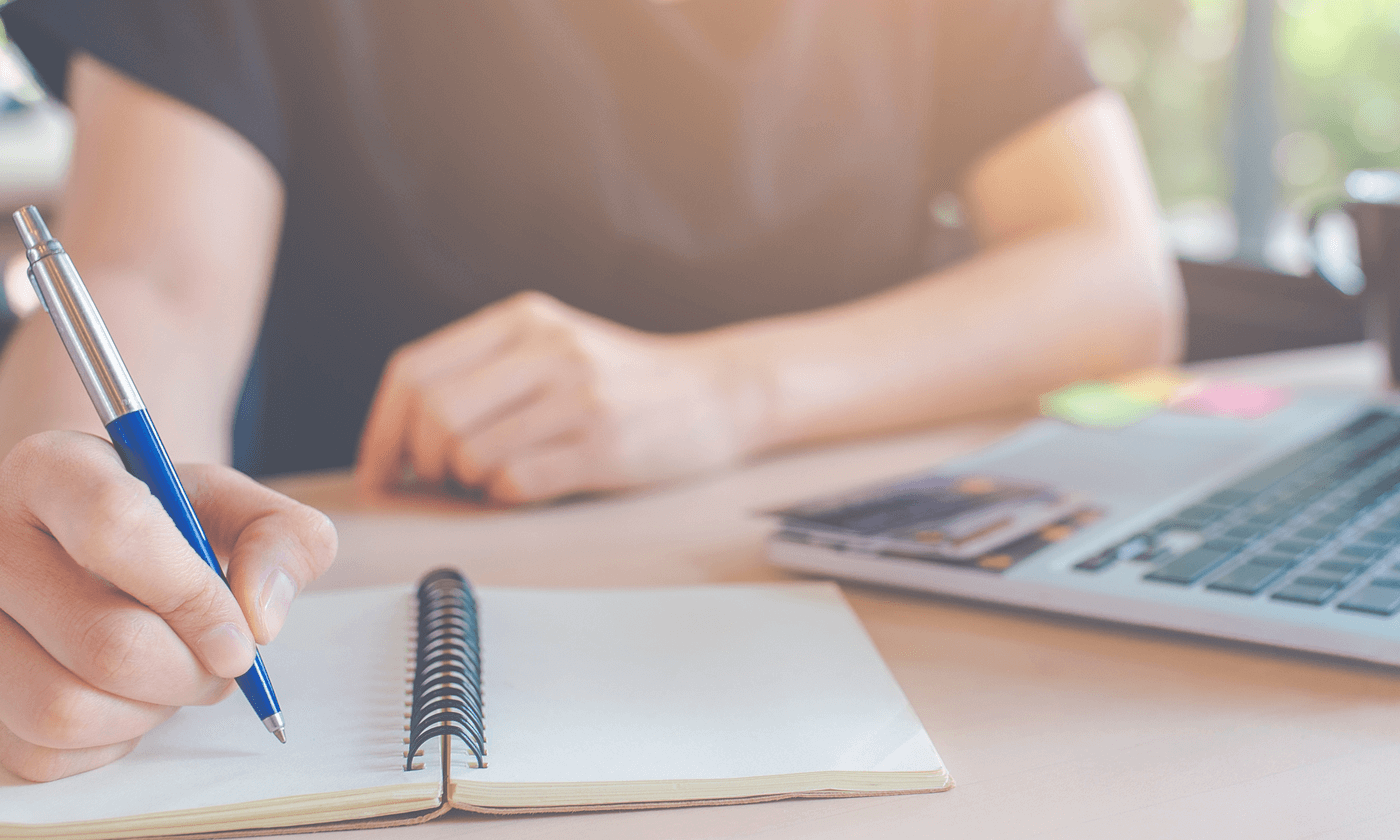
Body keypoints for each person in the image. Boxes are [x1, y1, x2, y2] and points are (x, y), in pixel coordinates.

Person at [0, 1, 1181, 781]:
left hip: (879, 621)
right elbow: (150, 278)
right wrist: (70, 529)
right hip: (384, 596)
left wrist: (724, 391)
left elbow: (1117, 278)